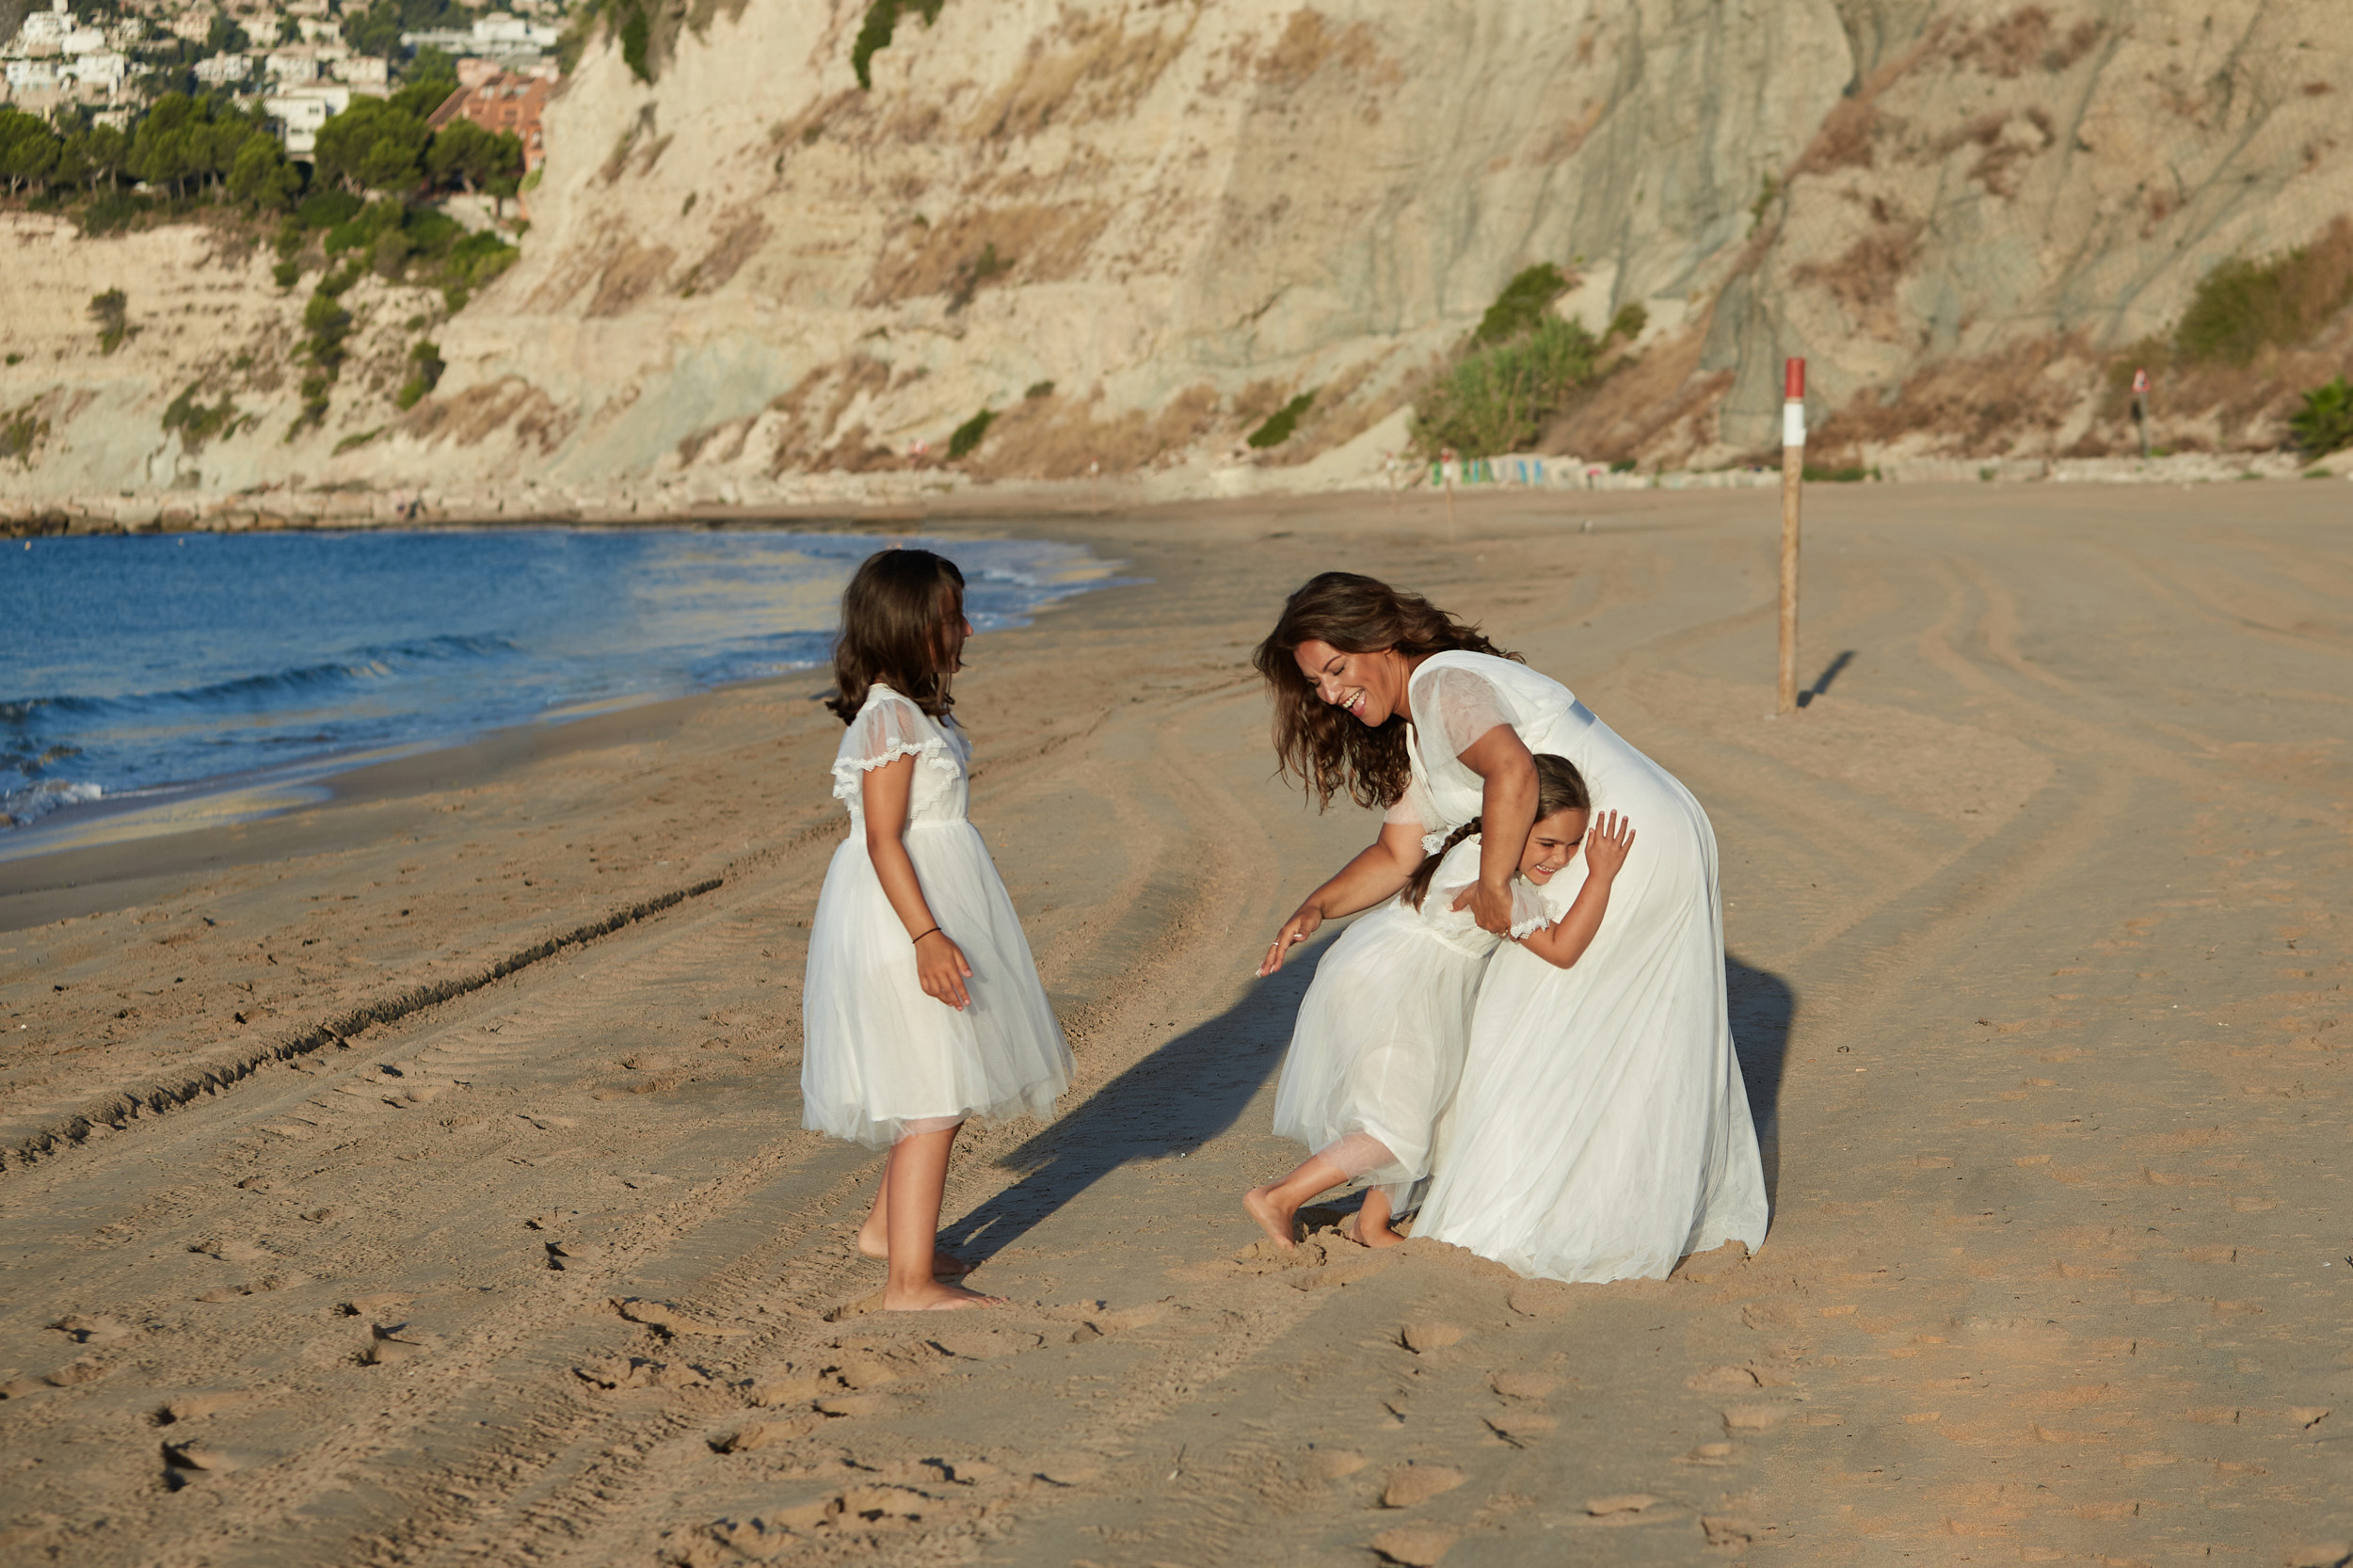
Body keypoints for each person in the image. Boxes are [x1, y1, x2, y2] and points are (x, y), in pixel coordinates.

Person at [1255, 571, 1767, 1284]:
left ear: (1379, 638)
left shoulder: (1441, 685)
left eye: (1337, 669)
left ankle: (1549, 1220)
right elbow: (1397, 853)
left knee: (1538, 1028)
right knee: (1576, 1031)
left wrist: (1495, 883)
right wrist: (1316, 905)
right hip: (1622, 832)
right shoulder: (1423, 726)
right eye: (1317, 685)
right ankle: (1579, 1208)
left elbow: (1513, 771)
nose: (1331, 693)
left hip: (1615, 837)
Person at [801, 548, 1073, 1311]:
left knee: (934, 1075)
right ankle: (908, 1284)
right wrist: (926, 937)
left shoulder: (910, 712)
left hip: (926, 900)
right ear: (912, 628)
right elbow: (884, 838)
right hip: (901, 915)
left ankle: (890, 1234)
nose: (969, 630)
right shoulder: (890, 717)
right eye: (954, 617)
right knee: (933, 1094)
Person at [1246, 756, 1623, 1251]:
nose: (1562, 857)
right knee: (1395, 1127)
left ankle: (1370, 1224)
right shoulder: (1494, 884)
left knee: (1427, 1106)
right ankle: (1280, 1196)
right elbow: (1563, 949)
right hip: (1399, 985)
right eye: (1548, 843)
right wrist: (1600, 876)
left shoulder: (1477, 847)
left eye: (1574, 845)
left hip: (1399, 970)